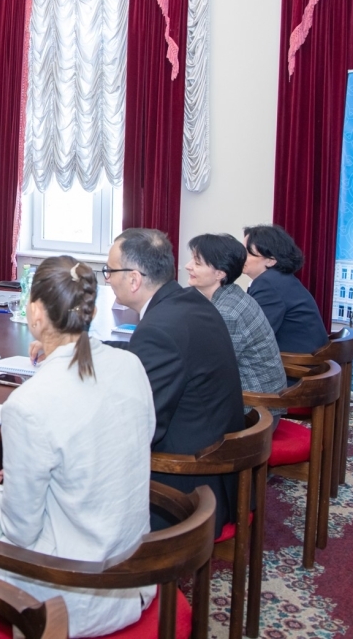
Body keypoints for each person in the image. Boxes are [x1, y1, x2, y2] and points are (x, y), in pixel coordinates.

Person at [0, 256, 156, 638]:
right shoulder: (131, 365)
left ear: (36, 313)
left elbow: (21, 531)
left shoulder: (28, 404)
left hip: (69, 596)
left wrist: (2, 490)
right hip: (136, 574)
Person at [103, 228, 245, 534]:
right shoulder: (187, 302)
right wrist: (87, 348)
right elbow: (149, 356)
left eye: (110, 271)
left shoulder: (159, 330)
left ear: (134, 279)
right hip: (218, 464)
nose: (107, 279)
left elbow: (140, 427)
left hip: (187, 489)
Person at [186, 233, 287, 421]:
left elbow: (212, 371)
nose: (187, 266)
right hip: (256, 400)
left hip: (255, 411)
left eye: (197, 263)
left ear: (220, 273)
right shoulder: (232, 294)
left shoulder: (227, 313)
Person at [242, 224, 329, 354]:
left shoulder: (268, 284)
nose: (240, 256)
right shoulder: (278, 279)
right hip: (302, 357)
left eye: (248, 253)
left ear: (271, 260)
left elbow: (255, 336)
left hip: (296, 363)